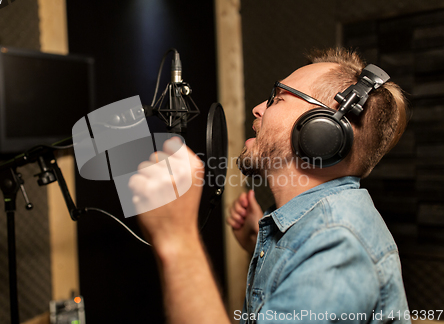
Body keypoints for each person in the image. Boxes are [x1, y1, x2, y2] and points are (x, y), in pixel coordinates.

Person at [128, 48, 410, 323]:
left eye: (277, 99)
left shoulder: (337, 242)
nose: (258, 108)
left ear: (323, 130)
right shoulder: (323, 234)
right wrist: (265, 245)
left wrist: (178, 239)